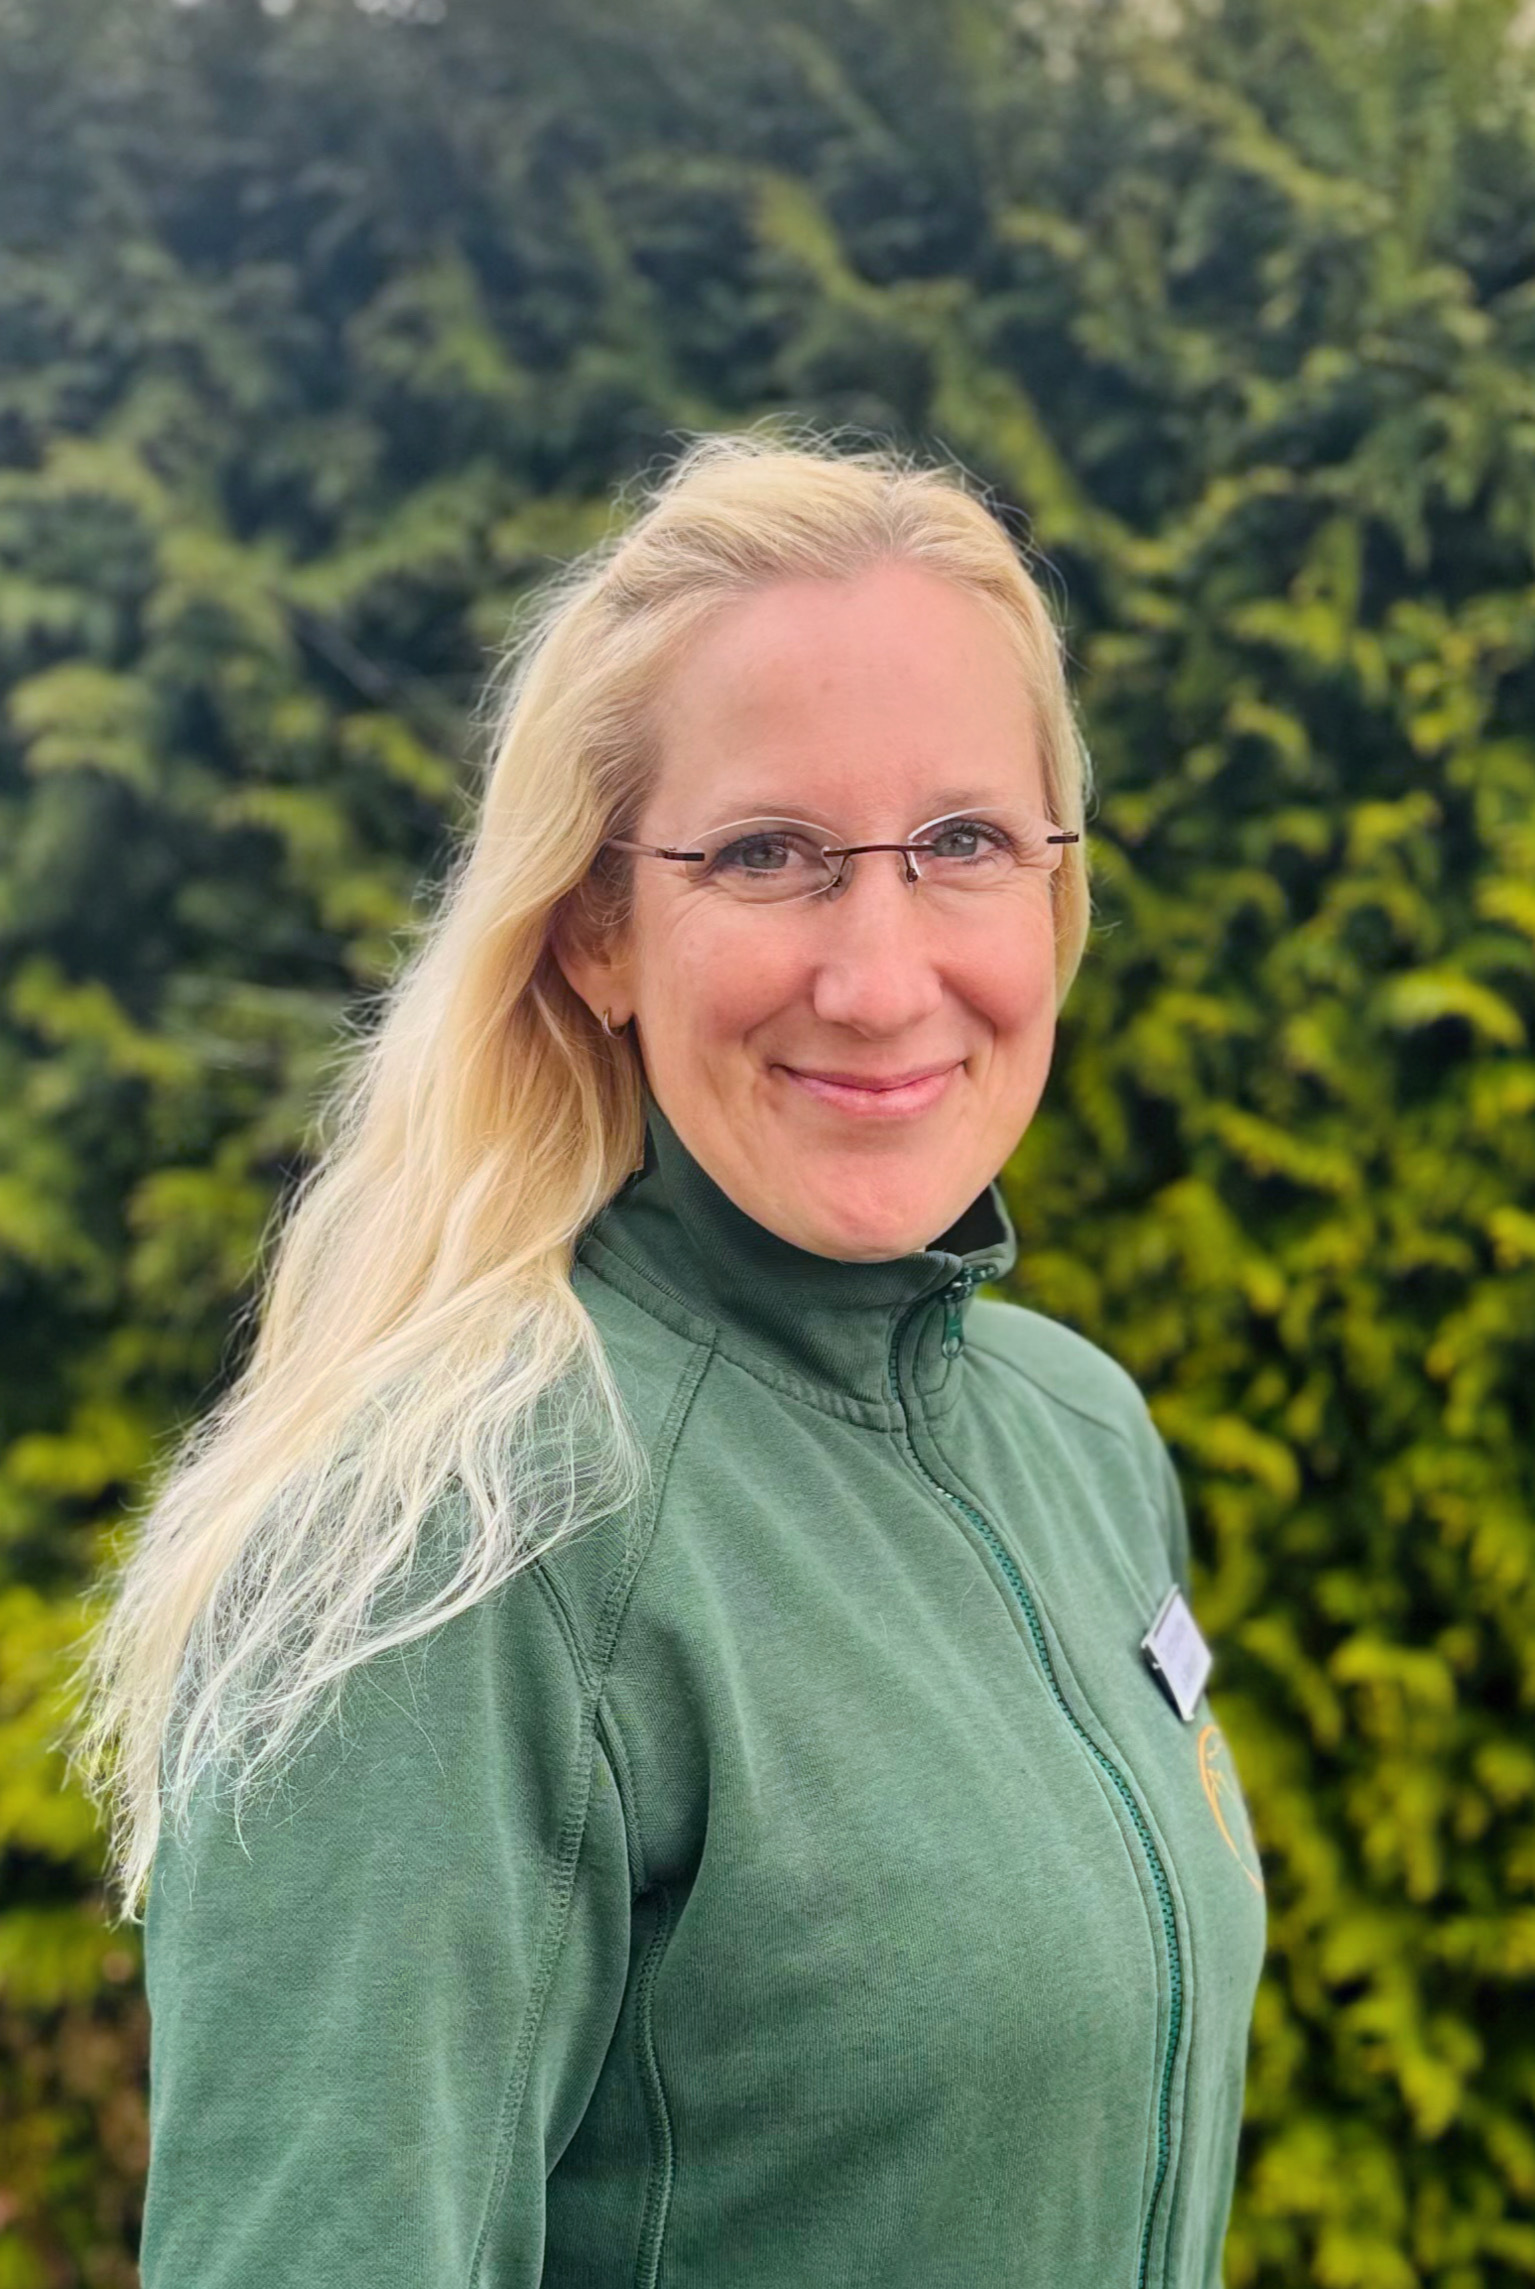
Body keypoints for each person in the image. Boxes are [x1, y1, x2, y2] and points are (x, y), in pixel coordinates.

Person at [82, 426, 1266, 2288]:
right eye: (768, 853)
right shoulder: (454, 1545)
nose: (879, 978)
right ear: (596, 934)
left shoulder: (1080, 1434)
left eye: (963, 842)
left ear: (1055, 888)